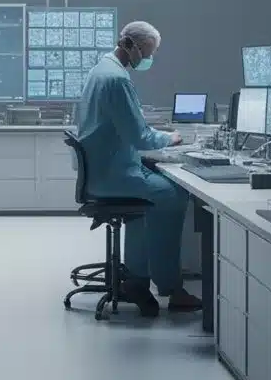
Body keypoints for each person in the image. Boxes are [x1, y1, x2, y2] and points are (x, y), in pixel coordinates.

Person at [75, 21, 202, 317]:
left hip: (106, 169)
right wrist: (171, 138)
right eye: (147, 52)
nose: (147, 59)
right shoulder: (117, 80)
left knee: (151, 198)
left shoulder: (101, 70)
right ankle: (170, 286)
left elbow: (129, 129)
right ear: (132, 45)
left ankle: (137, 277)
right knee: (173, 196)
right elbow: (139, 136)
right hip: (115, 175)